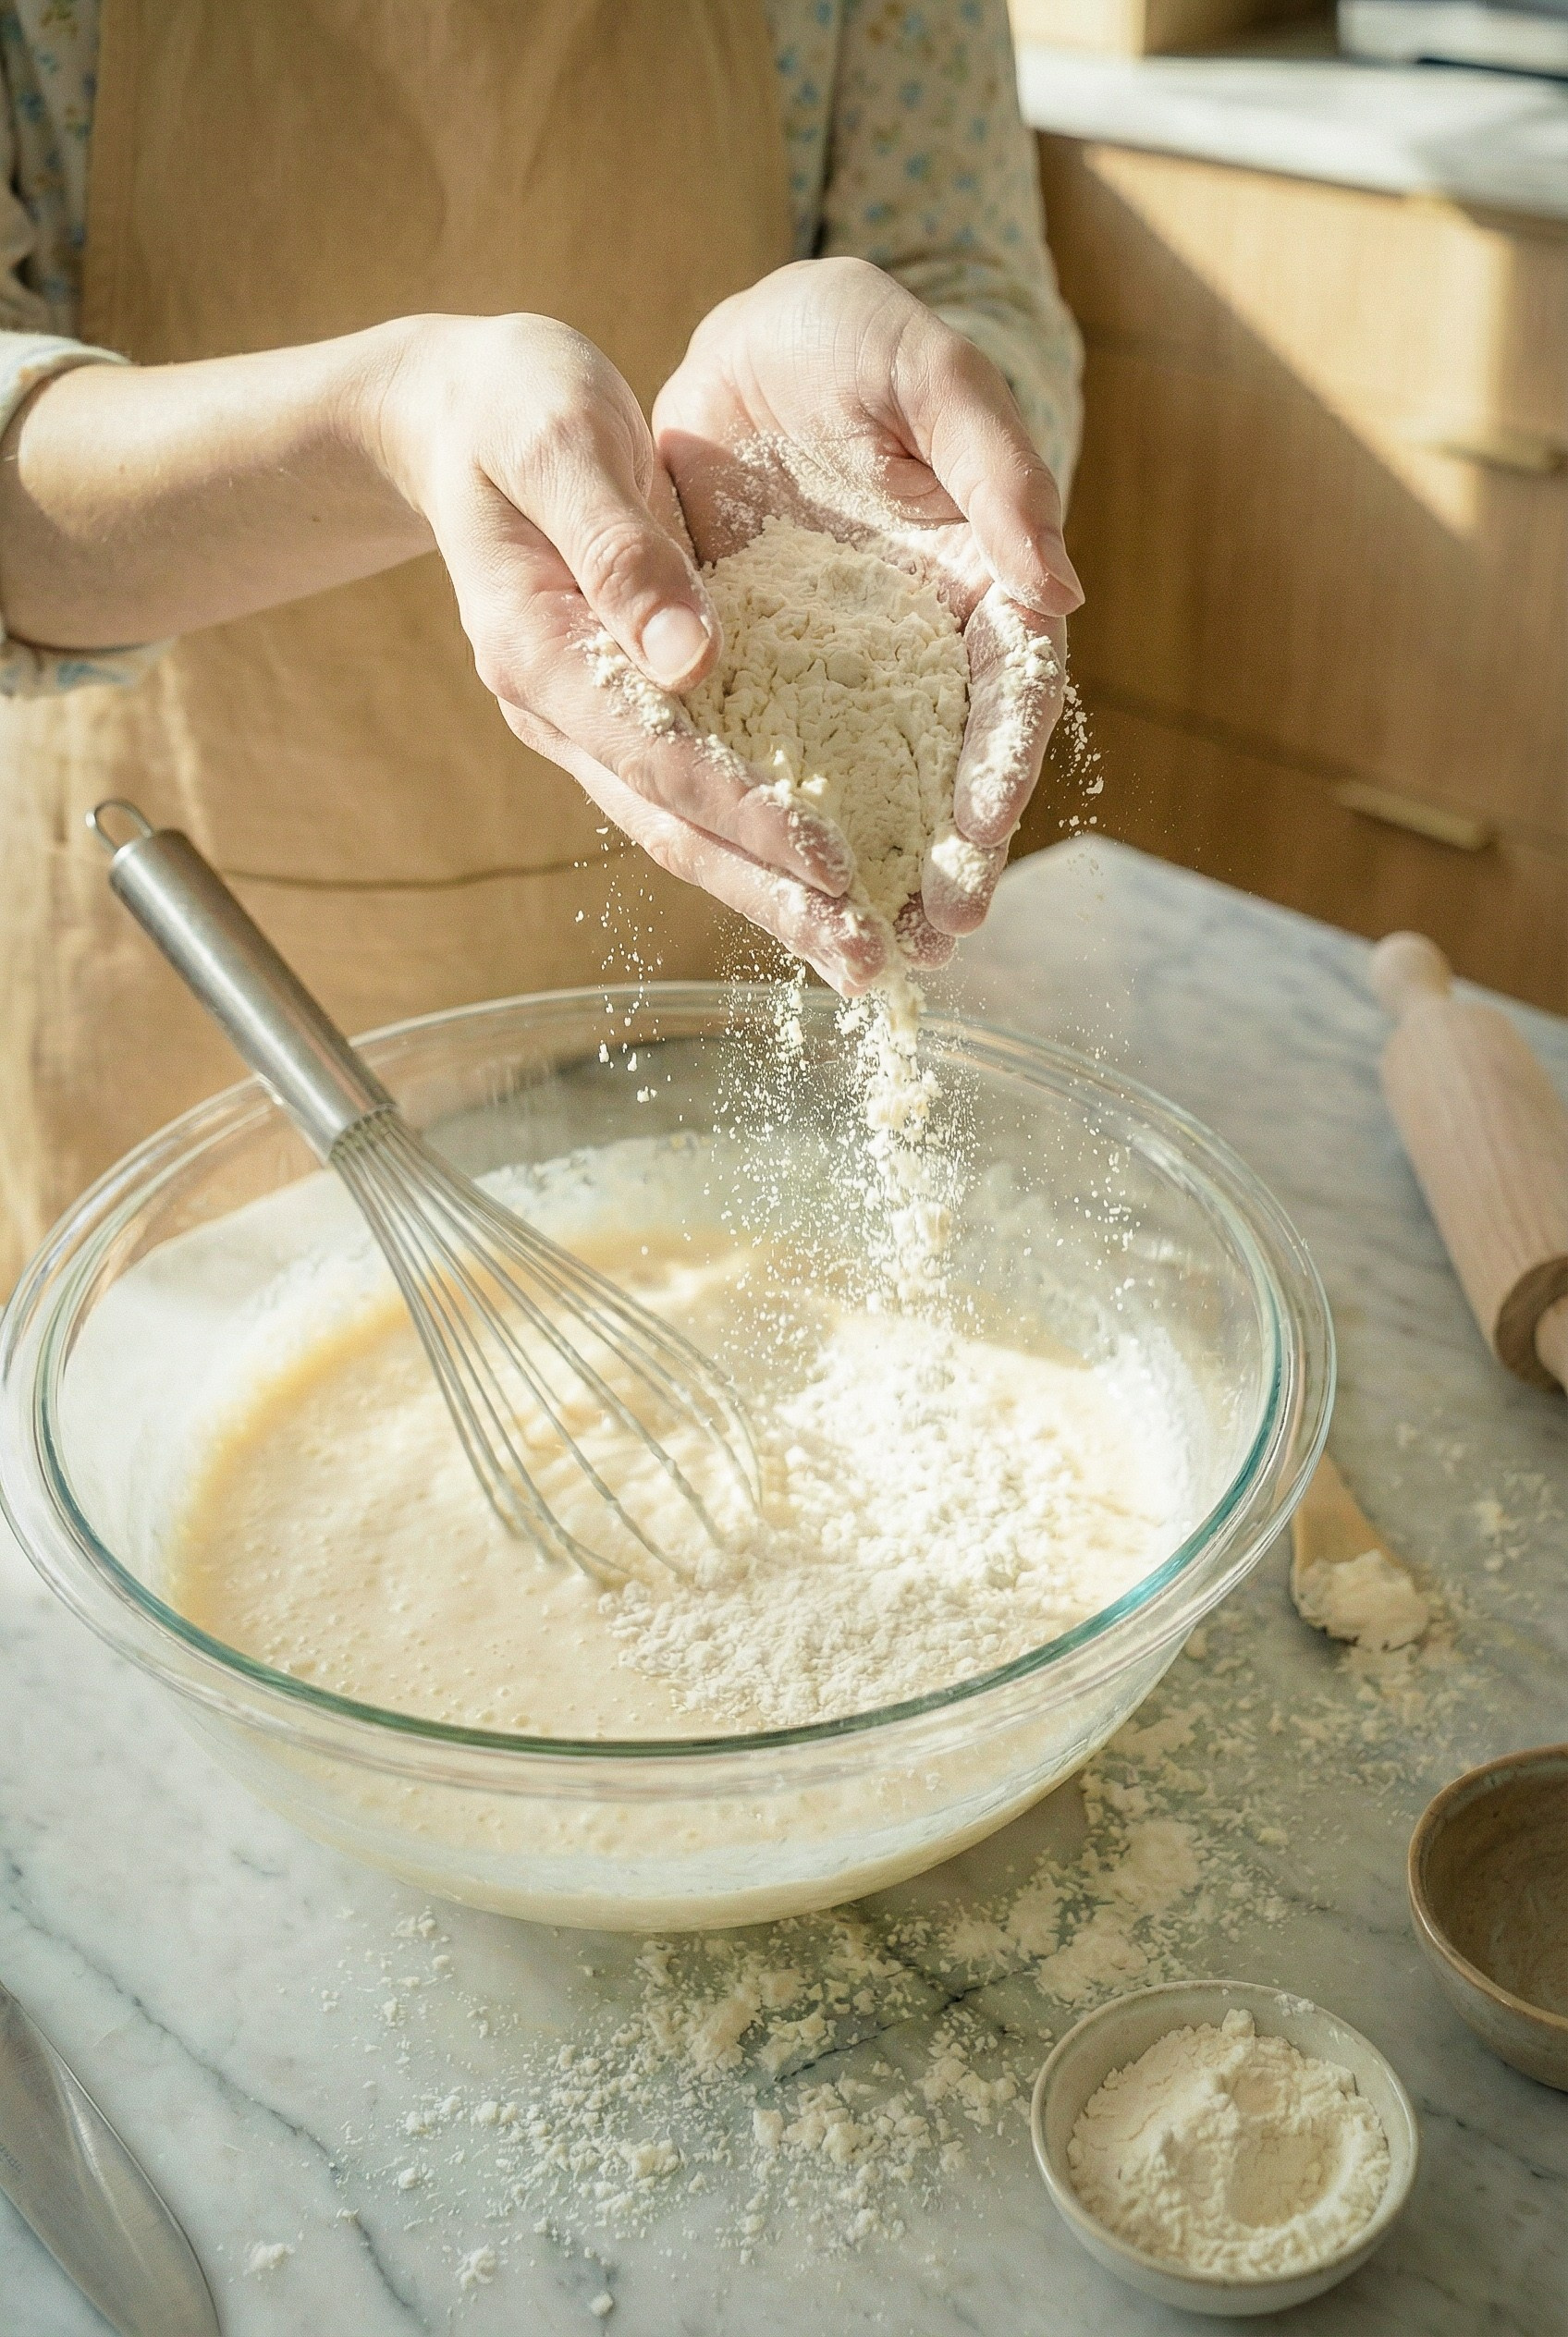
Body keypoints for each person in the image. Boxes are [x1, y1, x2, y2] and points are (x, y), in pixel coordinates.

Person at [0, 0, 1084, 1291]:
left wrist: (941, 415)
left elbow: (967, 277)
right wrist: (388, 424)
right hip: (207, 1008)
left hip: (726, 944)